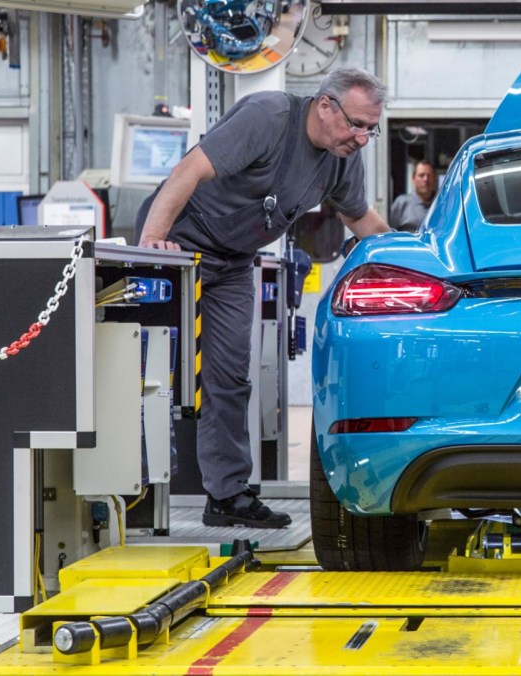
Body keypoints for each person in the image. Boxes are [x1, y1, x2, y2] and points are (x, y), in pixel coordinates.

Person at [135, 66, 392, 528]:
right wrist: (153, 240)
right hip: (176, 247)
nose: (362, 138)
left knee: (231, 376)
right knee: (150, 376)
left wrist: (411, 256)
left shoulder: (342, 158)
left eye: (370, 129)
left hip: (233, 260)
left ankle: (226, 494)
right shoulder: (269, 116)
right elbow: (189, 169)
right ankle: (125, 493)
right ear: (325, 104)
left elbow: (362, 220)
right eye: (356, 124)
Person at [388, 160, 437, 232]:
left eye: (429, 175)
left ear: (435, 178)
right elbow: (390, 232)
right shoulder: (401, 203)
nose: (426, 179)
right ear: (413, 178)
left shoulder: (442, 204)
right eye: (421, 175)